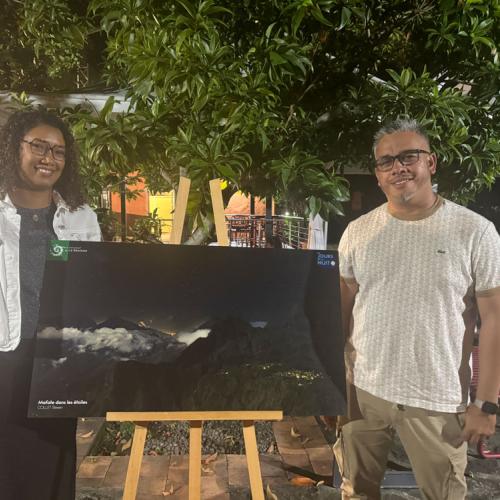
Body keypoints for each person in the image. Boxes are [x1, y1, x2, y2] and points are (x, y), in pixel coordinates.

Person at [335, 118, 500, 500]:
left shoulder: (474, 231)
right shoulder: (358, 232)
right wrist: (333, 386)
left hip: (437, 399)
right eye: (386, 161)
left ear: (432, 163)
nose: (399, 167)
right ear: (377, 175)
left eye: (410, 156)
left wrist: (486, 403)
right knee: (356, 490)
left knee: (444, 494)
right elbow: (340, 311)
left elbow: (494, 319)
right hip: (363, 392)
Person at [0, 109, 101, 499]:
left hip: (57, 361)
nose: (49, 157)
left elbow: (93, 285)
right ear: (14, 149)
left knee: (54, 465)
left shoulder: (81, 217)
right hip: (6, 358)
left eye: (58, 151)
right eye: (39, 146)